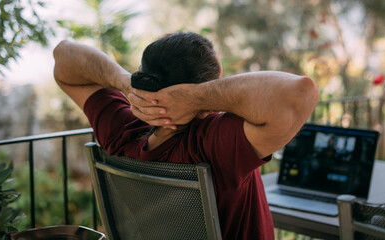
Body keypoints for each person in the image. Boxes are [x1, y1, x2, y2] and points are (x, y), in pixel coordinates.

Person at [53, 32, 319, 239]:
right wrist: (197, 99)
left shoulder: (123, 130)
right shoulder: (211, 143)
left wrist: (125, 82)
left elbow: (63, 56)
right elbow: (300, 93)